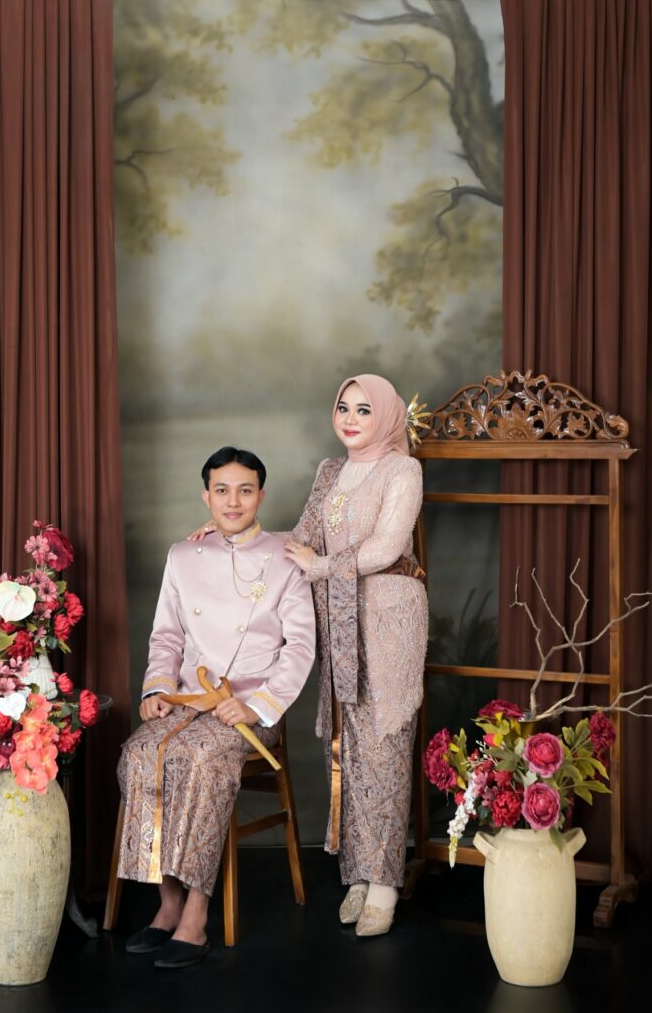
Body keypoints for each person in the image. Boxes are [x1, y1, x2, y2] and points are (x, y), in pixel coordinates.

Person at [193, 375, 427, 937]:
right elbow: (300, 538)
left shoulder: (403, 470)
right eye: (343, 407)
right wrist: (236, 531)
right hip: (339, 621)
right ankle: (359, 875)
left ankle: (386, 883)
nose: (350, 418)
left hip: (388, 620)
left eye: (364, 410)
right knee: (347, 745)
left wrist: (320, 567)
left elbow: (386, 547)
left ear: (386, 416)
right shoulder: (330, 472)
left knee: (384, 744)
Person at [117, 446, 315, 968]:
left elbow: (300, 647)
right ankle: (167, 901)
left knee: (202, 760)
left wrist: (258, 706)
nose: (233, 501)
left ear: (261, 496)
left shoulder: (287, 557)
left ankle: (197, 912)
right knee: (138, 754)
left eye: (245, 490)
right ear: (206, 496)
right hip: (186, 701)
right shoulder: (183, 555)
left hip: (246, 710)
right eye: (222, 490)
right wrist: (156, 690)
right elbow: (166, 635)